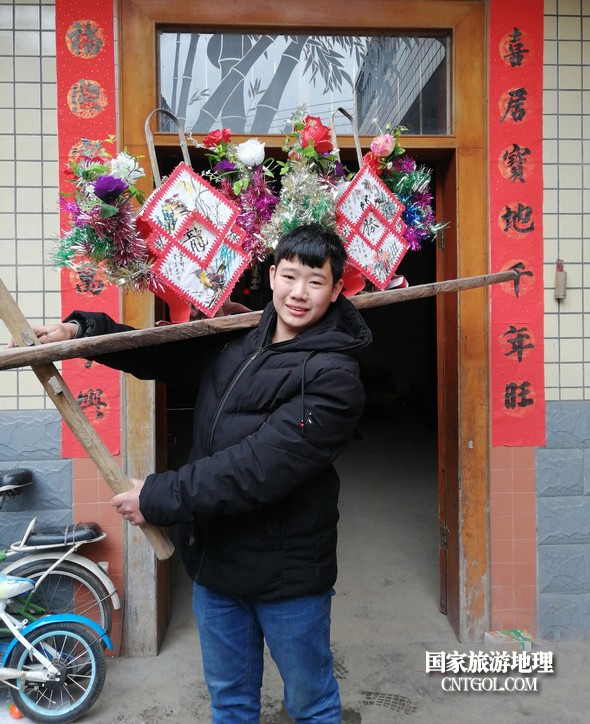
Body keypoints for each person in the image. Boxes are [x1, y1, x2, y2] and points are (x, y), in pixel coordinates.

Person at [32, 223, 372, 723]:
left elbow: (255, 469)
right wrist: (84, 333)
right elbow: (159, 349)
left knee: (310, 704)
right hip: (215, 567)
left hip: (289, 576)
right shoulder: (241, 339)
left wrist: (158, 497)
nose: (299, 293)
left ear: (337, 289)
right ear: (272, 276)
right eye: (290, 276)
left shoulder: (335, 377)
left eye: (315, 281)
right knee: (230, 703)